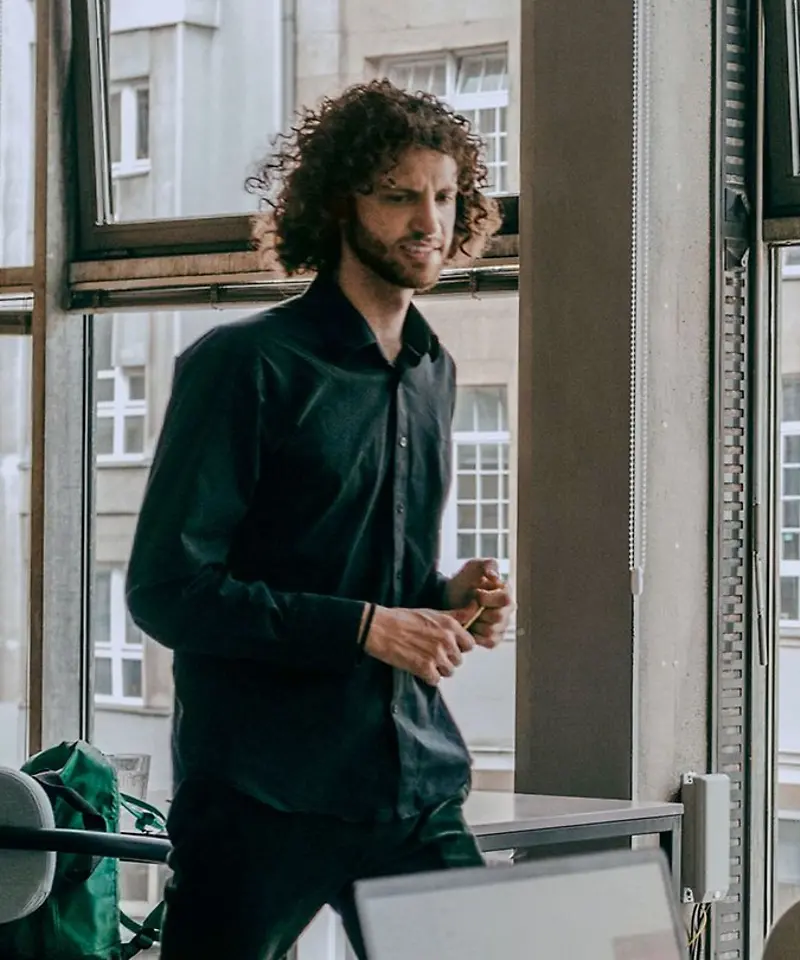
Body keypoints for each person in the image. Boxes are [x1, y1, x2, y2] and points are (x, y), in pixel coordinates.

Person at [126, 79, 512, 960]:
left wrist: (444, 596)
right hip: (265, 795)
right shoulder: (245, 365)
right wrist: (371, 628)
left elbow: (360, 570)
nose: (430, 220)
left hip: (411, 783)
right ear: (342, 205)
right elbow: (168, 591)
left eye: (446, 196)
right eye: (400, 195)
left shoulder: (430, 368)